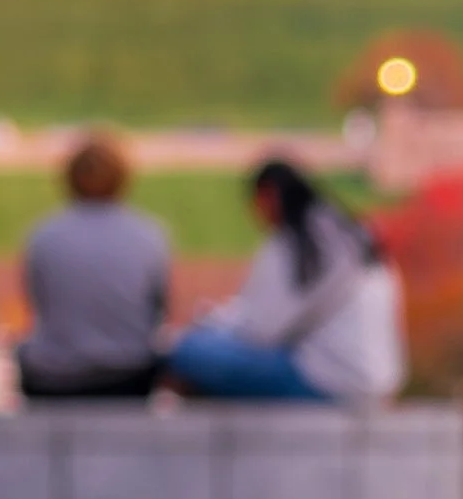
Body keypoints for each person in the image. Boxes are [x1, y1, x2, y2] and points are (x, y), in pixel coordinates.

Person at [166, 158, 405, 405]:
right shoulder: (348, 232)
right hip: (380, 380)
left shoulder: (299, 241)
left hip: (329, 381)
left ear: (268, 196)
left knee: (189, 351)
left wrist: (215, 322)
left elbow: (262, 332)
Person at [16, 134, 170, 399]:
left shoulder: (43, 236)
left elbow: (39, 304)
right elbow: (157, 310)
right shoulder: (149, 235)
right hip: (129, 376)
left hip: (54, 378)